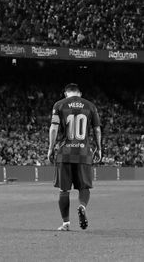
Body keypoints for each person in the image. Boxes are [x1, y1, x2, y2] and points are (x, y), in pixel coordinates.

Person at [47, 83, 102, 231]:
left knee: (64, 190)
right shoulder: (90, 106)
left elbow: (53, 128)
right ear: (80, 93)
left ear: (66, 93)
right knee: (84, 187)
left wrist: (51, 148)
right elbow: (97, 129)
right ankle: (82, 206)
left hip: (64, 152)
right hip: (84, 153)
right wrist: (99, 148)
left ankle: (66, 223)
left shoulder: (59, 105)